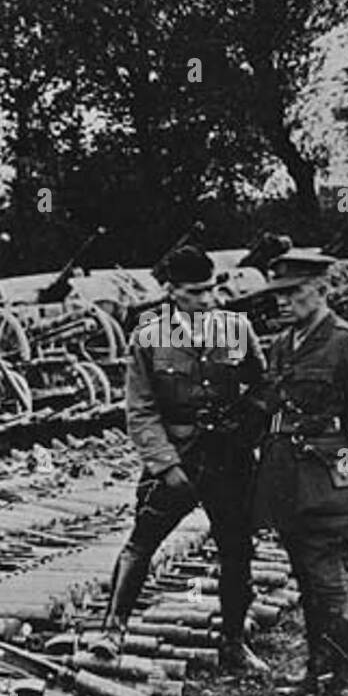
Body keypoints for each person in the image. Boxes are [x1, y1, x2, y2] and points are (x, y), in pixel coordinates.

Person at [92, 245, 268, 673]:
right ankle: (112, 632)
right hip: (177, 456)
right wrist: (165, 465)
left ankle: (233, 643)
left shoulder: (236, 328)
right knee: (142, 542)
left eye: (211, 289)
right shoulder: (149, 335)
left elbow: (263, 387)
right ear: (172, 291)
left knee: (237, 549)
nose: (207, 299)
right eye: (195, 292)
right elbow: (140, 409)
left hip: (229, 458)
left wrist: (247, 429)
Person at [251, 253, 348, 696]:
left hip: (326, 478)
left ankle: (346, 681)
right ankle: (318, 670)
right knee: (307, 578)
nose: (282, 301)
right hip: (285, 480)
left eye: (293, 292)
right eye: (278, 293)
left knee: (328, 585)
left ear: (322, 290)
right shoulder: (282, 344)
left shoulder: (346, 343)